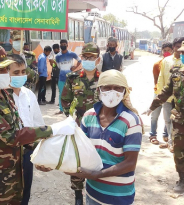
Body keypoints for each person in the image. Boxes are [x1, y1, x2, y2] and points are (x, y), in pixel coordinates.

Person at [0, 44, 76, 205]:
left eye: (6, 69)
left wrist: (41, 153)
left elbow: (19, 129)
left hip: (13, 175)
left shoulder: (2, 92)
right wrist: (52, 129)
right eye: (0, 70)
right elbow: (11, 136)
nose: (5, 74)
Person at [61, 70, 142, 205]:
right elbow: (81, 151)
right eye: (107, 87)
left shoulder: (131, 120)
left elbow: (130, 163)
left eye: (117, 88)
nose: (112, 92)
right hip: (93, 193)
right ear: (99, 90)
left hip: (119, 197)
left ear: (124, 91)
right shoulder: (88, 116)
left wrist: (97, 175)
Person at [144, 40, 184, 202]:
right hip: (179, 121)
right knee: (178, 152)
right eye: (182, 53)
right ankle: (182, 179)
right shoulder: (176, 72)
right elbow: (165, 92)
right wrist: (152, 107)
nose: (183, 55)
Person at [60, 42, 101, 205]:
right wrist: (72, 120)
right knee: (77, 159)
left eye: (92, 57)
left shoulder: (105, 79)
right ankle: (78, 193)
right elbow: (65, 100)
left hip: (100, 128)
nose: (89, 60)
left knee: (97, 157)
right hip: (78, 127)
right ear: (82, 58)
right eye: (86, 57)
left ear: (98, 59)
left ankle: (96, 188)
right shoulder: (72, 78)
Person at [7, 54, 46, 205]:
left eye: (23, 71)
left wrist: (41, 151)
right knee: (9, 194)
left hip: (28, 151)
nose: (21, 76)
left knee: (25, 191)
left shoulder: (28, 94)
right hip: (9, 153)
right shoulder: (1, 98)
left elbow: (37, 123)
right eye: (16, 73)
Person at [155, 37, 184, 151]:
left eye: (182, 47)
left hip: (182, 99)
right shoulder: (166, 61)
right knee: (168, 120)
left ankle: (178, 143)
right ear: (173, 47)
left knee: (180, 121)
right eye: (178, 47)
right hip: (168, 98)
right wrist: (160, 95)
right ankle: (170, 141)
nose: (180, 49)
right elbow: (161, 78)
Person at [149, 42, 173, 146]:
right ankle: (153, 134)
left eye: (169, 50)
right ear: (161, 51)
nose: (167, 52)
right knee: (154, 115)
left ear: (172, 51)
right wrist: (159, 93)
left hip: (169, 95)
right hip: (158, 93)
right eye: (165, 50)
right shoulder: (157, 64)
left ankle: (166, 134)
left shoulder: (174, 64)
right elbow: (156, 80)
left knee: (168, 117)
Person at [55, 39, 82, 115]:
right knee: (61, 94)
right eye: (62, 44)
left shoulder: (72, 54)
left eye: (64, 44)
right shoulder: (58, 56)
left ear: (67, 45)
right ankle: (61, 109)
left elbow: (80, 61)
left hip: (71, 78)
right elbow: (58, 66)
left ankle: (72, 108)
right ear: (60, 45)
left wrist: (75, 68)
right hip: (61, 78)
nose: (63, 45)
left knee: (73, 93)